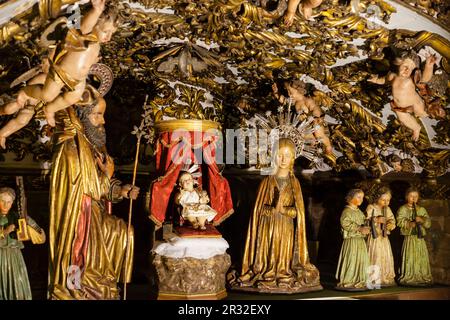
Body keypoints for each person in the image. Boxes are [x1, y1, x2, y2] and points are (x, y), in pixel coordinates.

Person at [47, 88, 140, 300]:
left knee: (125, 233)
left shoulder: (93, 145)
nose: (103, 121)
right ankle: (75, 287)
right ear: (82, 116)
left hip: (95, 214)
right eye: (97, 114)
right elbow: (90, 187)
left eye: (102, 114)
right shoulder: (71, 148)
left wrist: (121, 190)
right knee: (79, 251)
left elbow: (103, 186)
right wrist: (107, 176)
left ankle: (104, 283)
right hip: (78, 216)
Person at [0, 0, 117, 148]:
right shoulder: (87, 36)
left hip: (77, 80)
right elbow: (85, 26)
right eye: (106, 31)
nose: (109, 37)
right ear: (95, 26)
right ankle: (22, 98)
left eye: (112, 33)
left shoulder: (96, 45)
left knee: (73, 96)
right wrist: (96, 11)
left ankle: (49, 110)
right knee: (37, 101)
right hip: (60, 75)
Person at [236, 138, 321, 293]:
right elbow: (258, 210)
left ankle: (283, 273)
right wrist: (273, 209)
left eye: (287, 155)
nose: (283, 159)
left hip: (285, 226)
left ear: (292, 158)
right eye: (280, 155)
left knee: (283, 253)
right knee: (268, 251)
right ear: (274, 155)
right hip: (267, 226)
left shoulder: (295, 183)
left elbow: (298, 213)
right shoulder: (267, 182)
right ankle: (267, 274)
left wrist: (284, 210)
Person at [368, 51, 440, 141]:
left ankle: (426, 113)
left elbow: (424, 79)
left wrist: (429, 66)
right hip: (400, 107)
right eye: (405, 66)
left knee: (422, 112)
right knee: (402, 118)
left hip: (415, 104)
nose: (407, 70)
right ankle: (416, 128)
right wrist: (376, 80)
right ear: (398, 64)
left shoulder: (411, 79)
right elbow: (384, 80)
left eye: (411, 69)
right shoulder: (392, 75)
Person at [0, 187, 45, 300]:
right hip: (0, 256)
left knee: (17, 284)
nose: (5, 205)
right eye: (2, 201)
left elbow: (40, 237)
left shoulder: (16, 216)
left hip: (15, 256)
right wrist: (5, 232)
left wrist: (27, 222)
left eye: (9, 202)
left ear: (12, 203)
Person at [272, 79, 333, 155]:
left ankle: (328, 147)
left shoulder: (307, 100)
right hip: (304, 126)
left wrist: (315, 117)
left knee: (319, 134)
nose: (289, 94)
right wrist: (275, 92)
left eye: (291, 92)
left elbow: (315, 108)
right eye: (288, 91)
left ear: (299, 90)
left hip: (314, 121)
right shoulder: (293, 102)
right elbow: (282, 100)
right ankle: (314, 148)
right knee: (307, 137)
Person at [397, 187, 433, 286]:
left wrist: (422, 220)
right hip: (409, 238)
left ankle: (421, 276)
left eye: (416, 196)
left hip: (419, 238)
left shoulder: (421, 209)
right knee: (410, 256)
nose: (413, 198)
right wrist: (409, 223)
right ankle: (409, 276)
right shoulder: (403, 209)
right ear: (406, 197)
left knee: (421, 256)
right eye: (411, 196)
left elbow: (428, 223)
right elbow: (399, 221)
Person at [335, 189, 370, 291]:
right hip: (351, 241)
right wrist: (359, 228)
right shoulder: (346, 211)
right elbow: (345, 224)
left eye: (362, 198)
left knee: (361, 260)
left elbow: (364, 221)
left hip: (360, 242)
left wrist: (369, 224)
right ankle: (349, 280)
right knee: (351, 260)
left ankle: (359, 279)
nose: (361, 200)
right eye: (359, 197)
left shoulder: (359, 212)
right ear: (350, 198)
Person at [366, 186, 396, 287]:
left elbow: (392, 220)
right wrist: (376, 220)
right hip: (374, 238)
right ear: (377, 198)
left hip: (384, 237)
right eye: (383, 200)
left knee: (385, 255)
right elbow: (366, 220)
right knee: (375, 255)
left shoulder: (387, 209)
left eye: (388, 200)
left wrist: (389, 225)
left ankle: (385, 277)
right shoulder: (371, 207)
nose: (386, 202)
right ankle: (374, 278)